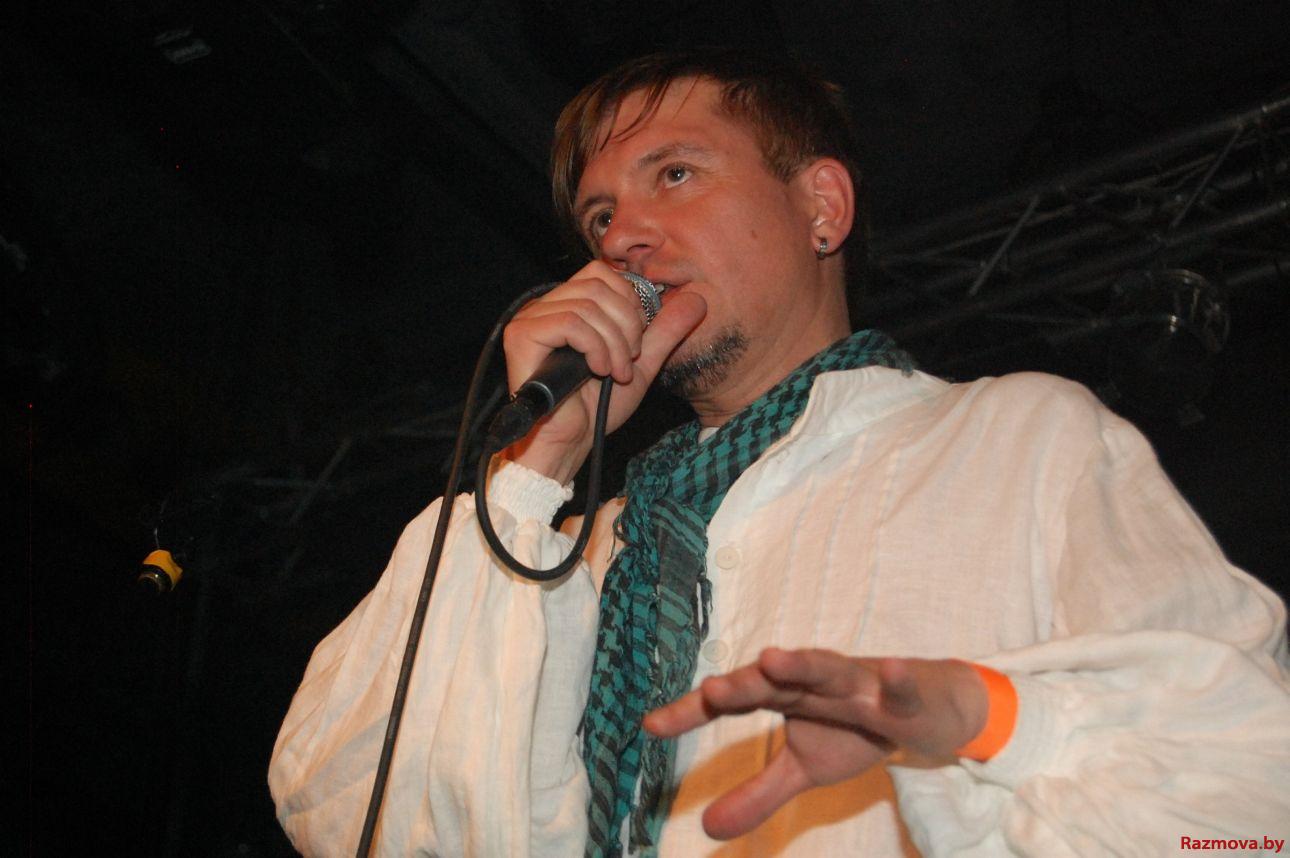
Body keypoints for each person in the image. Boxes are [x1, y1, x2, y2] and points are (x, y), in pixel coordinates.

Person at [269, 49, 1290, 856]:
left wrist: (994, 724)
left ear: (821, 208)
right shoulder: (568, 552)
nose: (622, 239)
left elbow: (1250, 810)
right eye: (600, 215)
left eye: (675, 174)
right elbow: (347, 809)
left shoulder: (1020, 438)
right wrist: (538, 464)